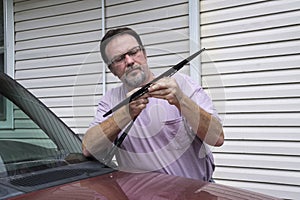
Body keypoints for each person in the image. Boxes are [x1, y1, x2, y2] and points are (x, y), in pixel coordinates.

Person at [82, 27, 224, 182]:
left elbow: (217, 138)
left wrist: (181, 101)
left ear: (144, 53)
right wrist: (125, 113)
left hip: (194, 192)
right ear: (112, 70)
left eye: (134, 52)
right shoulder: (110, 100)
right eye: (119, 59)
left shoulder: (182, 84)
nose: (129, 61)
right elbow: (89, 149)